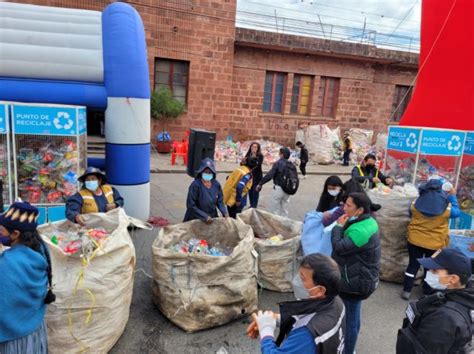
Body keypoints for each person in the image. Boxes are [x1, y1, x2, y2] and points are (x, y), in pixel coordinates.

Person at [248, 253, 346, 353]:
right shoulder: (335, 300)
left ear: (320, 290)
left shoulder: (307, 335)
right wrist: (276, 319)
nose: (296, 281)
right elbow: (306, 315)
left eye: (302, 279)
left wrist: (266, 330)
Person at [0, 202, 55, 353]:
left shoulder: (8, 263)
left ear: (15, 234)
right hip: (32, 330)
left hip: (13, 337)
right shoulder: (38, 250)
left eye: (1, 230)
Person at [397, 248, 473, 354]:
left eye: (435, 271)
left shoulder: (444, 317)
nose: (429, 272)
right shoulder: (454, 294)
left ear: (453, 279)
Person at [331, 192, 381, 354]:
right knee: (353, 315)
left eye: (348, 205)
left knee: (350, 321)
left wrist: (338, 226)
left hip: (354, 281)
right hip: (359, 276)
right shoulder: (368, 221)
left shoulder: (361, 231)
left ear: (359, 210)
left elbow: (339, 247)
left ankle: (348, 350)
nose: (344, 208)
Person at [402, 178, 461, 300]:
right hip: (435, 243)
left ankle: (406, 290)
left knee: (413, 264)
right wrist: (452, 197)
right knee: (431, 267)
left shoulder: (416, 203)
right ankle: (427, 292)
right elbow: (457, 214)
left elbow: (410, 213)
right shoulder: (447, 207)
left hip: (414, 240)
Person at [256, 148, 299, 218]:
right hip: (288, 189)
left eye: (279, 153)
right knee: (284, 210)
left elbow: (270, 175)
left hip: (278, 189)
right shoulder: (292, 165)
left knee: (274, 210)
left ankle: (275, 226)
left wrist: (261, 183)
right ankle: (283, 226)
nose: (279, 155)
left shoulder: (278, 163)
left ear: (282, 154)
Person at [183, 158, 228, 223]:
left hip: (212, 216)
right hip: (196, 218)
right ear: (201, 172)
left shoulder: (216, 184)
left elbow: (220, 201)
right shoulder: (195, 185)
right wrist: (204, 216)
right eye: (205, 172)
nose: (208, 173)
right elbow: (191, 205)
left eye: (210, 172)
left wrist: (224, 212)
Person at [245, 142, 264, 208]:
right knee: (250, 190)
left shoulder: (260, 155)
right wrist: (242, 162)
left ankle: (254, 206)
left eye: (255, 147)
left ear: (258, 148)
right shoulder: (248, 155)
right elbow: (244, 164)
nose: (254, 148)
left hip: (257, 175)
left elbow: (258, 165)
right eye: (252, 147)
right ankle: (251, 205)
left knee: (255, 191)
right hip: (250, 176)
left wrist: (251, 170)